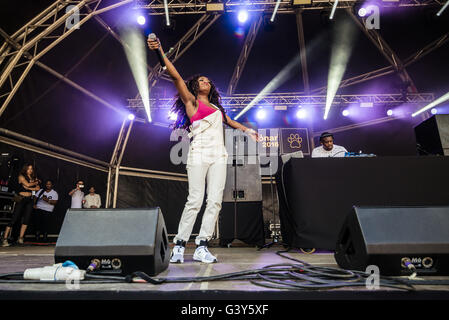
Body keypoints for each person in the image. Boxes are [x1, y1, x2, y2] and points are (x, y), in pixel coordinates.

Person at [148, 36, 258, 264]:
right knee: (195, 199)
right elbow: (176, 76)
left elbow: (231, 121)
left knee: (215, 201)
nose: (206, 81)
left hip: (219, 155)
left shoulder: (217, 107)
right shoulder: (191, 102)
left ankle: (202, 245)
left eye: (208, 80)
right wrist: (159, 51)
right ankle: (179, 245)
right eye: (201, 80)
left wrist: (248, 130)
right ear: (195, 86)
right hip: (199, 153)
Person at [1, 164, 40, 247]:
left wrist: (30, 187)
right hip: (21, 199)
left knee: (26, 219)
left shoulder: (33, 178)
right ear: (25, 169)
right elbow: (28, 185)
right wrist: (34, 183)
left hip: (30, 200)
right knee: (14, 219)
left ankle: (21, 238)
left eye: (31, 169)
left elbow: (37, 188)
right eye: (28, 169)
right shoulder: (21, 176)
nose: (30, 170)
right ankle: (4, 239)